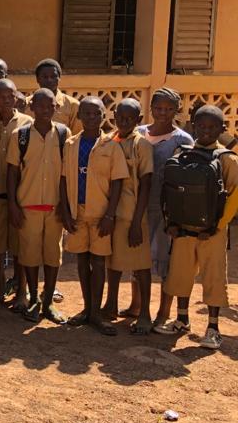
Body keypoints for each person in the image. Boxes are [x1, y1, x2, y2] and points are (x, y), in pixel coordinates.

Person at [162, 104, 236, 350]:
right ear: (193, 126)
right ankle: (182, 319)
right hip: (182, 228)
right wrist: (170, 222)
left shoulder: (227, 159)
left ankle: (213, 327)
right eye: (201, 126)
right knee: (181, 274)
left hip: (212, 232)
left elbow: (235, 196)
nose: (205, 131)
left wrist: (218, 226)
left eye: (212, 127)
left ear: (221, 129)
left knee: (213, 277)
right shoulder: (182, 152)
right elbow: (170, 191)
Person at [59, 97, 128, 336]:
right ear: (79, 117)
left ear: (103, 116)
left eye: (95, 114)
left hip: (100, 213)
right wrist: (65, 211)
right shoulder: (70, 144)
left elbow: (118, 181)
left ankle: (97, 313)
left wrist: (110, 214)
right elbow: (64, 179)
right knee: (81, 259)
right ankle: (87, 310)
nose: (90, 118)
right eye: (86, 114)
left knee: (98, 261)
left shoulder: (112, 145)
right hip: (76, 211)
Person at [131, 88, 193, 333]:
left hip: (167, 210)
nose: (163, 114)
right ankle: (136, 305)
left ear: (176, 111)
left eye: (169, 109)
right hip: (138, 206)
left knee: (165, 261)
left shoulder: (183, 140)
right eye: (158, 108)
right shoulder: (137, 134)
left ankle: (163, 312)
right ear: (151, 109)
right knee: (138, 257)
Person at [7, 88, 70, 324]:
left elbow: (66, 174)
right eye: (40, 105)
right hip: (28, 207)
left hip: (54, 208)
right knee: (30, 256)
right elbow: (13, 172)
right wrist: (12, 204)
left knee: (53, 256)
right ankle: (33, 298)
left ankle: (48, 301)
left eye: (50, 105)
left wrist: (65, 204)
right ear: (31, 107)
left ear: (56, 107)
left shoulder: (64, 134)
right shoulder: (20, 136)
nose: (45, 110)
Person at [102, 99, 154, 335]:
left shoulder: (141, 145)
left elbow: (146, 184)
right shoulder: (109, 140)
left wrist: (136, 223)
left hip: (133, 215)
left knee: (141, 266)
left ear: (138, 121)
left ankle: (144, 313)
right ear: (113, 116)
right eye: (119, 117)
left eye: (129, 119)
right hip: (111, 214)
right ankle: (110, 304)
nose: (123, 122)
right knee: (112, 263)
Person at [0, 78, 29, 308]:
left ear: (16, 95)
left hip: (19, 197)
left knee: (19, 247)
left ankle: (21, 292)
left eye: (10, 95)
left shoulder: (27, 123)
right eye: (1, 97)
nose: (7, 100)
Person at [31, 59, 82, 133]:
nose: (49, 80)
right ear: (37, 79)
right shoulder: (28, 103)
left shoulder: (73, 105)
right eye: (45, 77)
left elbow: (76, 136)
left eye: (53, 76)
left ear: (59, 78)